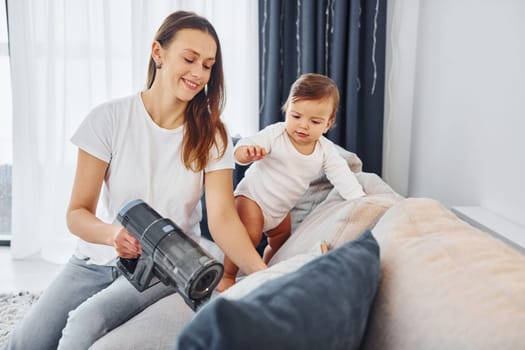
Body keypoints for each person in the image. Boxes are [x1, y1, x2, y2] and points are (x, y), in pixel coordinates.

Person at [6, 10, 266, 350]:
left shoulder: (212, 134)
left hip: (166, 264)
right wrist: (114, 234)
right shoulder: (108, 119)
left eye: (207, 65)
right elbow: (77, 213)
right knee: (25, 343)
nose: (199, 73)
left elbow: (222, 217)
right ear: (158, 52)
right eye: (189, 59)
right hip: (96, 259)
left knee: (83, 324)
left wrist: (264, 276)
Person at [216, 73, 366, 292]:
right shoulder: (276, 134)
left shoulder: (326, 151)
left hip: (280, 211)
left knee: (282, 243)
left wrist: (358, 200)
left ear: (328, 123)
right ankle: (228, 276)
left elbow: (343, 177)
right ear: (287, 109)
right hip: (253, 199)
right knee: (248, 236)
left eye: (314, 121)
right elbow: (243, 148)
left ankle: (269, 268)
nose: (303, 126)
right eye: (296, 116)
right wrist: (246, 153)